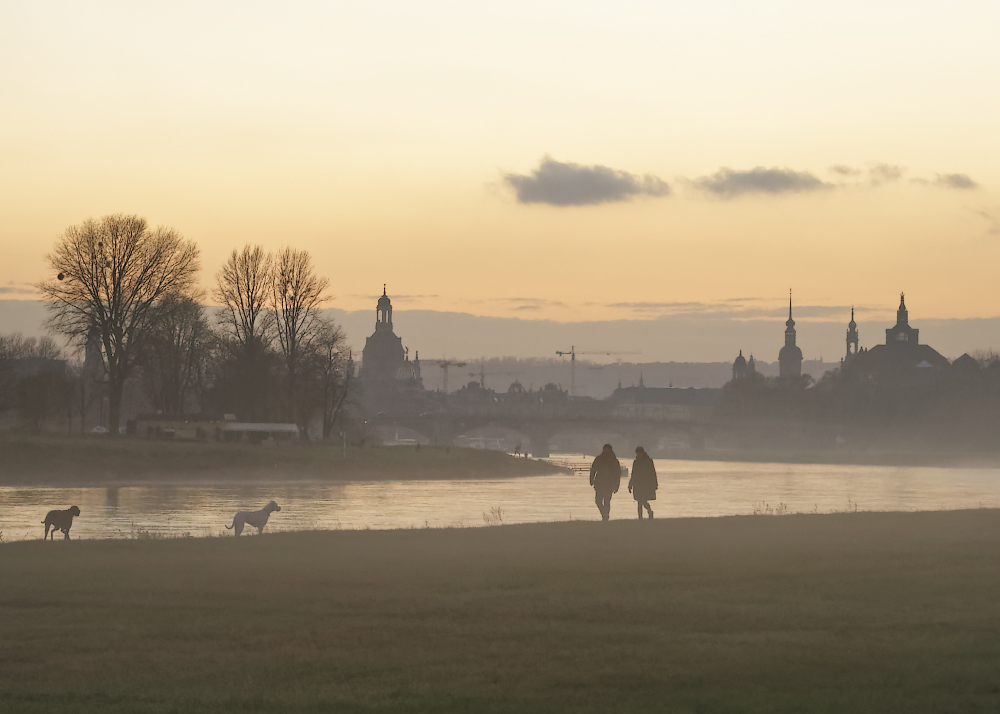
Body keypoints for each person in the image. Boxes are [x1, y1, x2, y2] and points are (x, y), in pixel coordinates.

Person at [589, 444, 622, 521]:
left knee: (607, 501)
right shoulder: (599, 459)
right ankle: (604, 514)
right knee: (598, 501)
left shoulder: (614, 460)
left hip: (609, 483)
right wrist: (591, 479)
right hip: (599, 482)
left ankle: (605, 516)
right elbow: (593, 469)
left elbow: (617, 474)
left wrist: (617, 485)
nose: (606, 451)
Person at [629, 446, 658, 519]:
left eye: (639, 453)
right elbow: (633, 473)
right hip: (637, 484)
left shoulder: (648, 461)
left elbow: (653, 473)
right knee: (639, 501)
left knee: (642, 500)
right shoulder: (636, 462)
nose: (638, 454)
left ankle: (648, 511)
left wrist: (655, 484)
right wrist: (630, 484)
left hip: (646, 484)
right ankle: (641, 517)